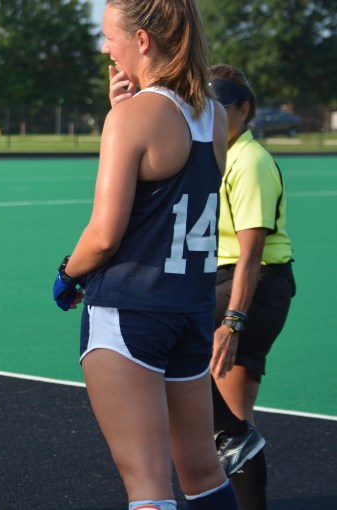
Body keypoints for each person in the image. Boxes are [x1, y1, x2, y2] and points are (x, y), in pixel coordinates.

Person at [52, 1, 239, 509]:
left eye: (110, 36)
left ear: (142, 41)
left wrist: (67, 275)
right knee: (202, 471)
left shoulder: (135, 118)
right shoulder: (216, 115)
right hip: (190, 308)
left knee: (148, 485)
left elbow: (104, 236)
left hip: (131, 309)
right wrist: (124, 114)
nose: (104, 46)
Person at [208, 64, 295, 510]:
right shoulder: (214, 154)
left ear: (244, 110)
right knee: (230, 420)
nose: (213, 116)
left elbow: (252, 251)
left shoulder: (250, 160)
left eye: (222, 108)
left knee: (227, 420)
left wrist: (232, 321)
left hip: (253, 285)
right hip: (229, 281)